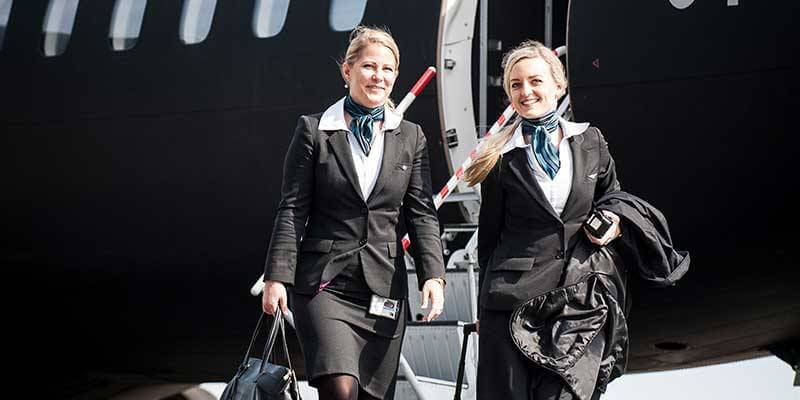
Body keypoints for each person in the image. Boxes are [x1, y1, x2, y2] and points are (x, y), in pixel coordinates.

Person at [261, 26, 446, 400]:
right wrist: (276, 276)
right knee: (340, 388)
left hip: (383, 285)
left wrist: (434, 275)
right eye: (369, 66)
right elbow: (292, 208)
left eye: (387, 69)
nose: (378, 76)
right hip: (325, 283)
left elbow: (421, 213)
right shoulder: (315, 130)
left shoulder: (410, 137)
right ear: (347, 71)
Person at [464, 40, 623, 400]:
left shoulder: (590, 141)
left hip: (577, 299)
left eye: (535, 81)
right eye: (516, 85)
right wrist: (482, 311)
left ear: (559, 85)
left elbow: (613, 195)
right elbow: (489, 239)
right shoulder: (500, 157)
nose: (526, 92)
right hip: (512, 301)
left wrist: (614, 220)